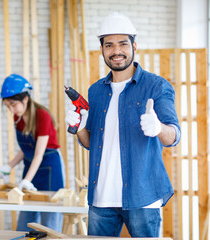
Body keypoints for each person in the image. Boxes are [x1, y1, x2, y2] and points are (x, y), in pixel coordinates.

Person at [65, 12, 181, 237]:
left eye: (122, 44)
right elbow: (92, 143)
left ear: (134, 46)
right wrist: (79, 128)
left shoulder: (156, 87)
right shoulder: (96, 91)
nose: (116, 51)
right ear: (102, 50)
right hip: (101, 199)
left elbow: (173, 136)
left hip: (142, 198)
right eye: (109, 45)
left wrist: (158, 128)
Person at [0, 74, 65, 232]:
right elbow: (27, 148)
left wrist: (26, 180)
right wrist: (8, 166)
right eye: (7, 106)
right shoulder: (18, 117)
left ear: (25, 99)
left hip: (49, 168)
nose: (11, 109)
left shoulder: (42, 116)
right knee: (26, 218)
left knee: (49, 220)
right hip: (31, 166)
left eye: (13, 104)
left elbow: (39, 153)